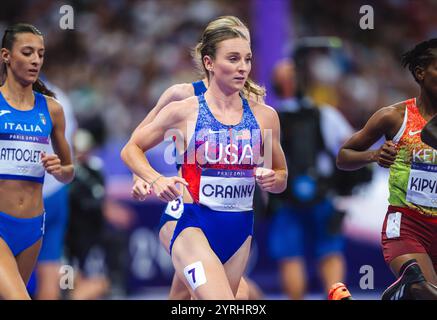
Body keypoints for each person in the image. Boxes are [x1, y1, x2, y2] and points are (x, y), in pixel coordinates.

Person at [121, 24, 287, 299]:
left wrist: (276, 179)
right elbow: (134, 145)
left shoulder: (263, 114)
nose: (243, 66)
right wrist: (149, 178)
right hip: (188, 217)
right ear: (209, 61)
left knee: (195, 299)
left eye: (247, 58)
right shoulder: (182, 102)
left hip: (240, 229)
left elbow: (280, 176)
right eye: (233, 58)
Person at [337, 39, 437, 300]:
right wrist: (374, 154)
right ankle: (409, 286)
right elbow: (344, 156)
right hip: (407, 226)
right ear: (421, 73)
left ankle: (401, 292)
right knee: (427, 292)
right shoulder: (393, 116)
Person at [267, 57, 353, 299]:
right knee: (330, 252)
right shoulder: (325, 114)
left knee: (291, 257)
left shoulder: (271, 117)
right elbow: (350, 147)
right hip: (321, 192)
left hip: (286, 196)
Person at [0, 23, 74, 299]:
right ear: (6, 55)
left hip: (32, 227)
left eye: (40, 54)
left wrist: (59, 169)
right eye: (27, 52)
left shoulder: (52, 109)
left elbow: (69, 171)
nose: (35, 60)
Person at [33, 80, 76, 300]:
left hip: (33, 198)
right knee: (48, 269)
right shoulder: (58, 97)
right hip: (53, 193)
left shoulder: (54, 101)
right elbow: (71, 151)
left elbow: (68, 163)